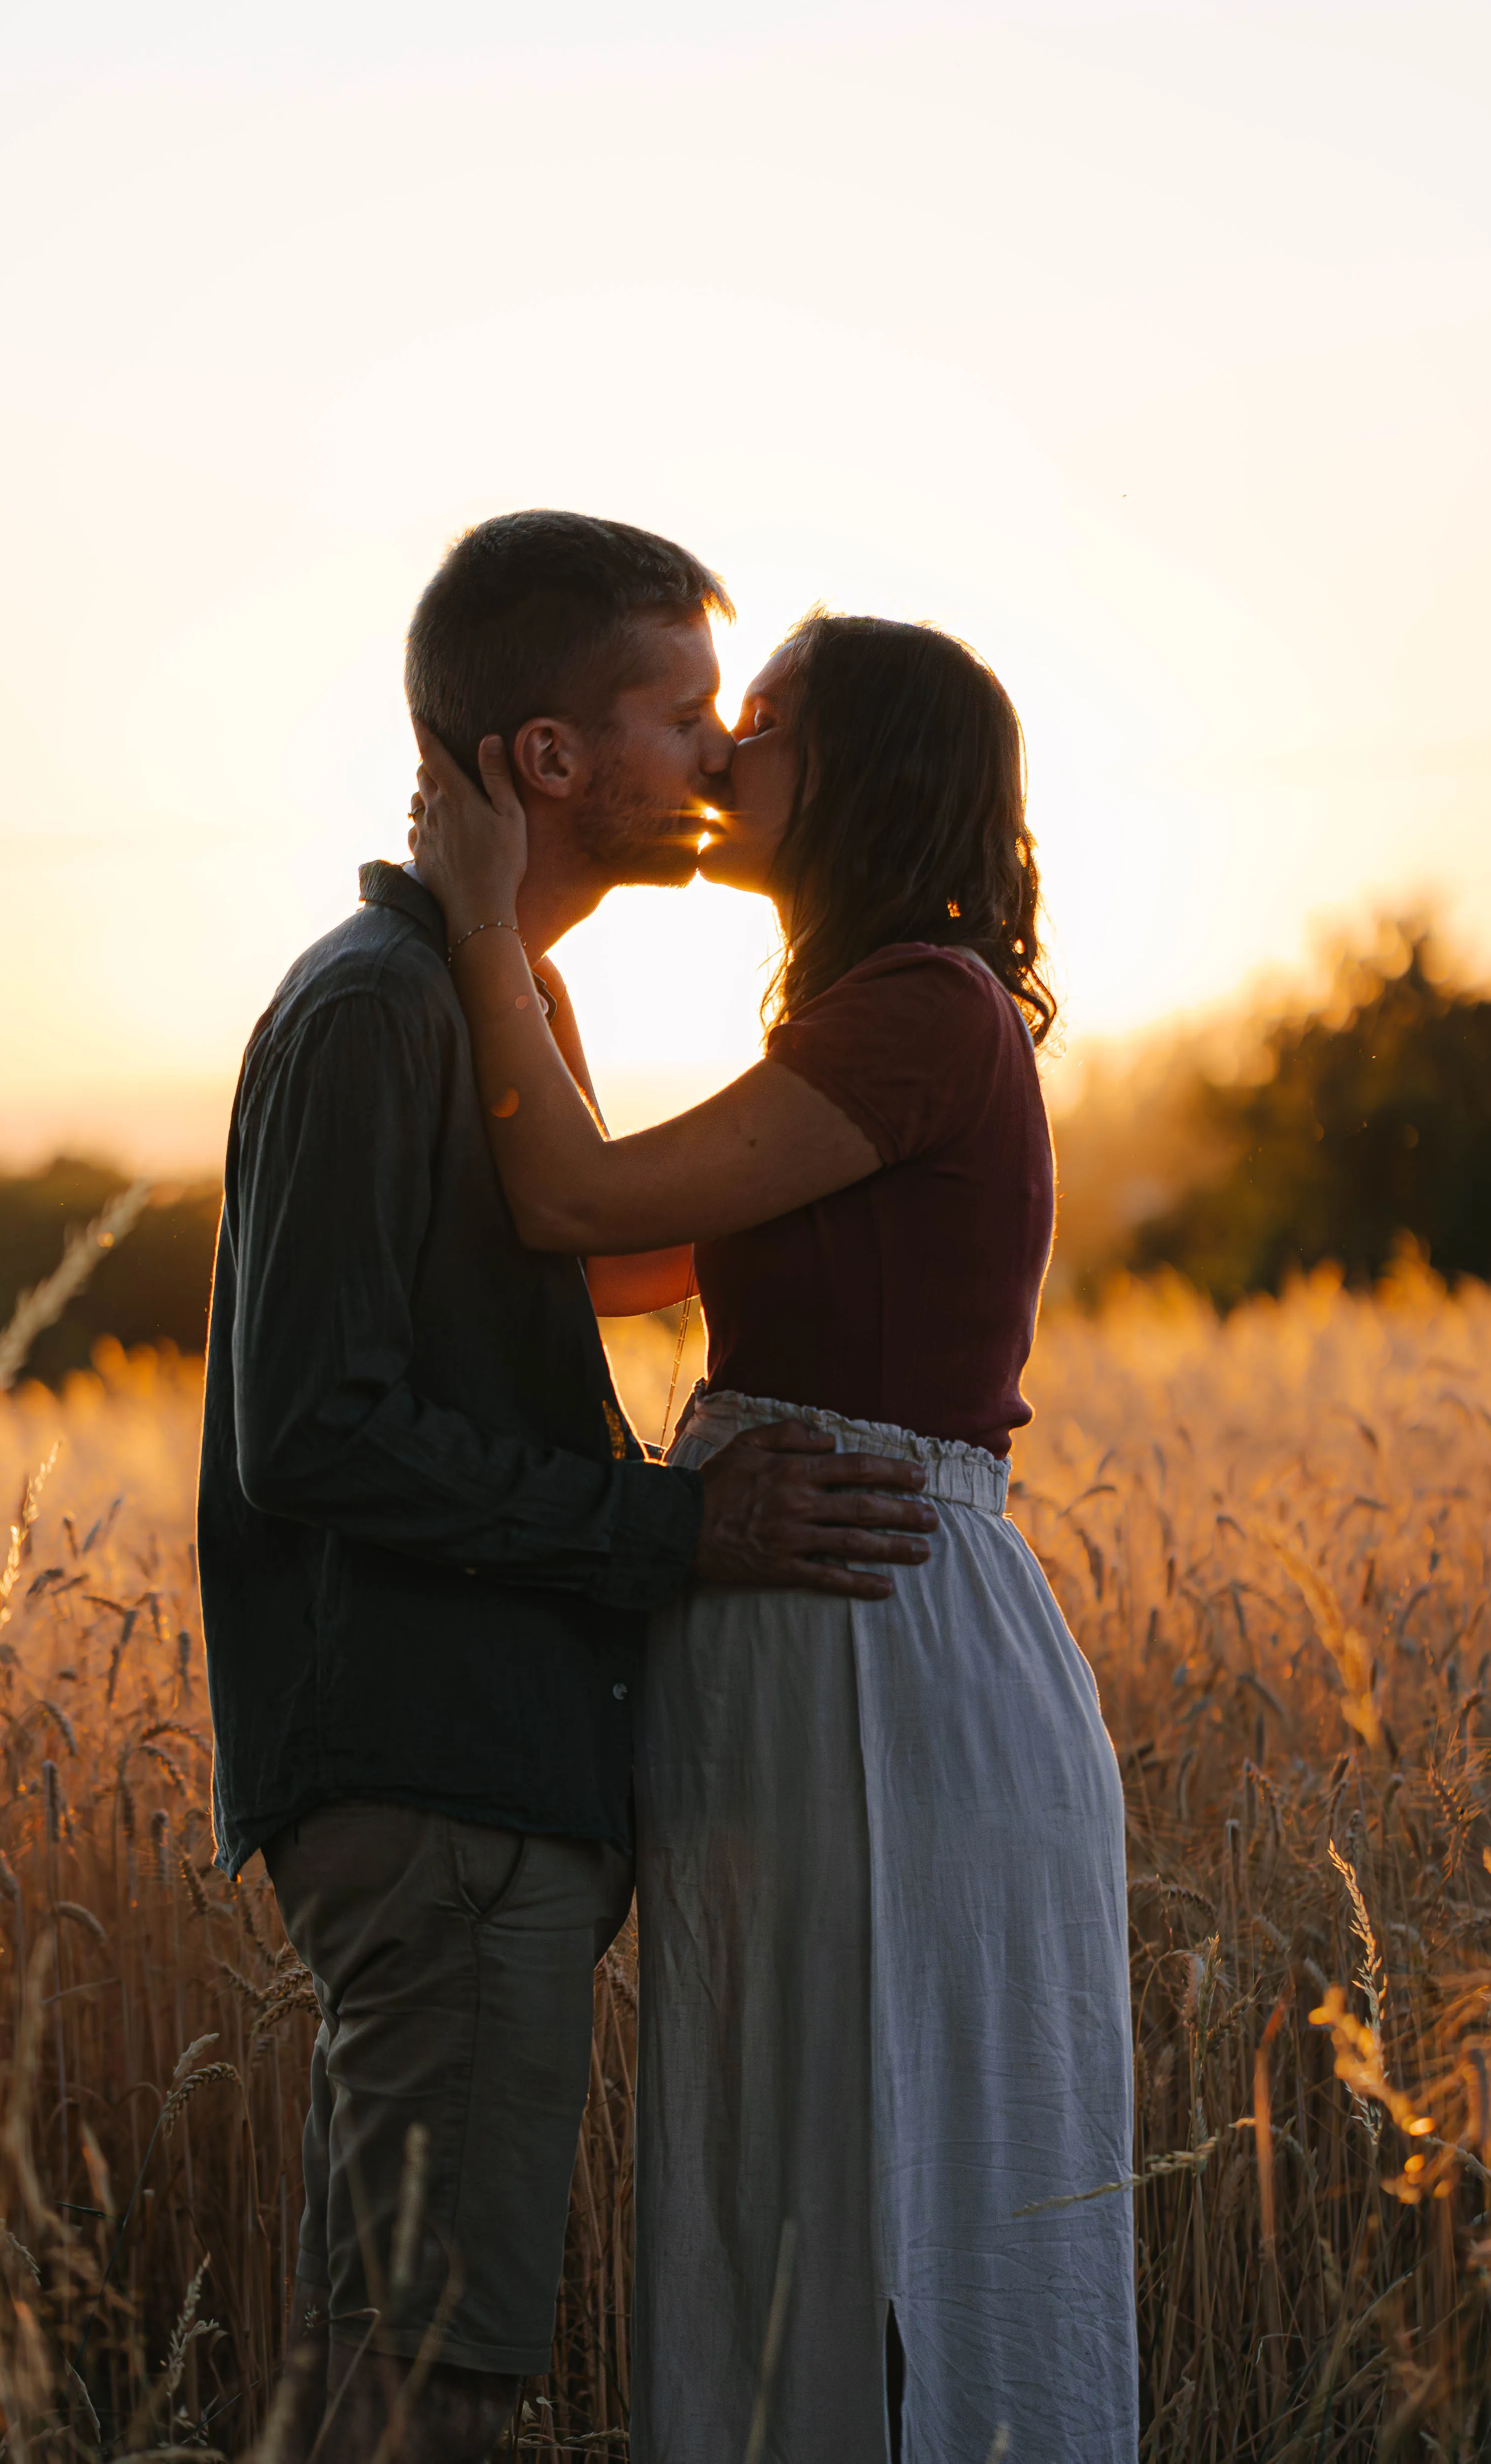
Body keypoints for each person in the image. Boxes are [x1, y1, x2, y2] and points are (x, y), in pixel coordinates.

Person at [196, 515, 937, 2464]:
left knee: (398, 2354)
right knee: (431, 2378)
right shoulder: (383, 1006)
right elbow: (320, 1429)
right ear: (545, 758)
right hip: (434, 1779)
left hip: (482, 1777)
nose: (716, 751)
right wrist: (677, 1532)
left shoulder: (483, 997)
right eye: (679, 711)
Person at [411, 609, 1140, 2463]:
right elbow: (631, 1243)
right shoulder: (868, 1014)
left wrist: (488, 922)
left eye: (773, 724)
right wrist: (537, 961)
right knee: (801, 2169)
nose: (727, 752)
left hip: (876, 1647)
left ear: (872, 773)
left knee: (880, 2199)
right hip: (815, 1637)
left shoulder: (919, 1009)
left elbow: (575, 1201)